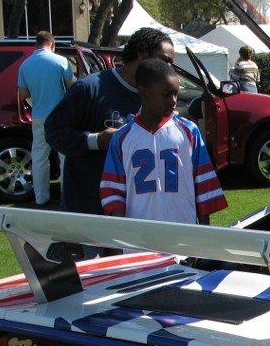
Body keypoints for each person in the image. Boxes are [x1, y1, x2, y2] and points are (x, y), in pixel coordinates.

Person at [45, 27, 175, 216]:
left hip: (139, 215)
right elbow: (52, 131)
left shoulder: (158, 98)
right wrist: (96, 141)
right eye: (164, 60)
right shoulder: (90, 88)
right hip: (90, 212)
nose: (168, 69)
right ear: (141, 54)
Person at [100, 58, 227, 226]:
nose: (173, 101)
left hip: (182, 236)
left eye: (176, 94)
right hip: (138, 240)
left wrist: (201, 240)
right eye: (166, 94)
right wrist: (121, 239)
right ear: (143, 92)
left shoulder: (189, 132)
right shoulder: (122, 137)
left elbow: (204, 189)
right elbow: (114, 193)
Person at [17, 30, 75, 206]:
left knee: (39, 157)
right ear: (52, 44)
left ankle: (41, 197)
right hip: (61, 116)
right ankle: (67, 195)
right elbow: (72, 88)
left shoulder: (25, 65)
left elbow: (23, 93)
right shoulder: (61, 62)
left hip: (39, 116)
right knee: (65, 156)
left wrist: (35, 102)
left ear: (36, 44)